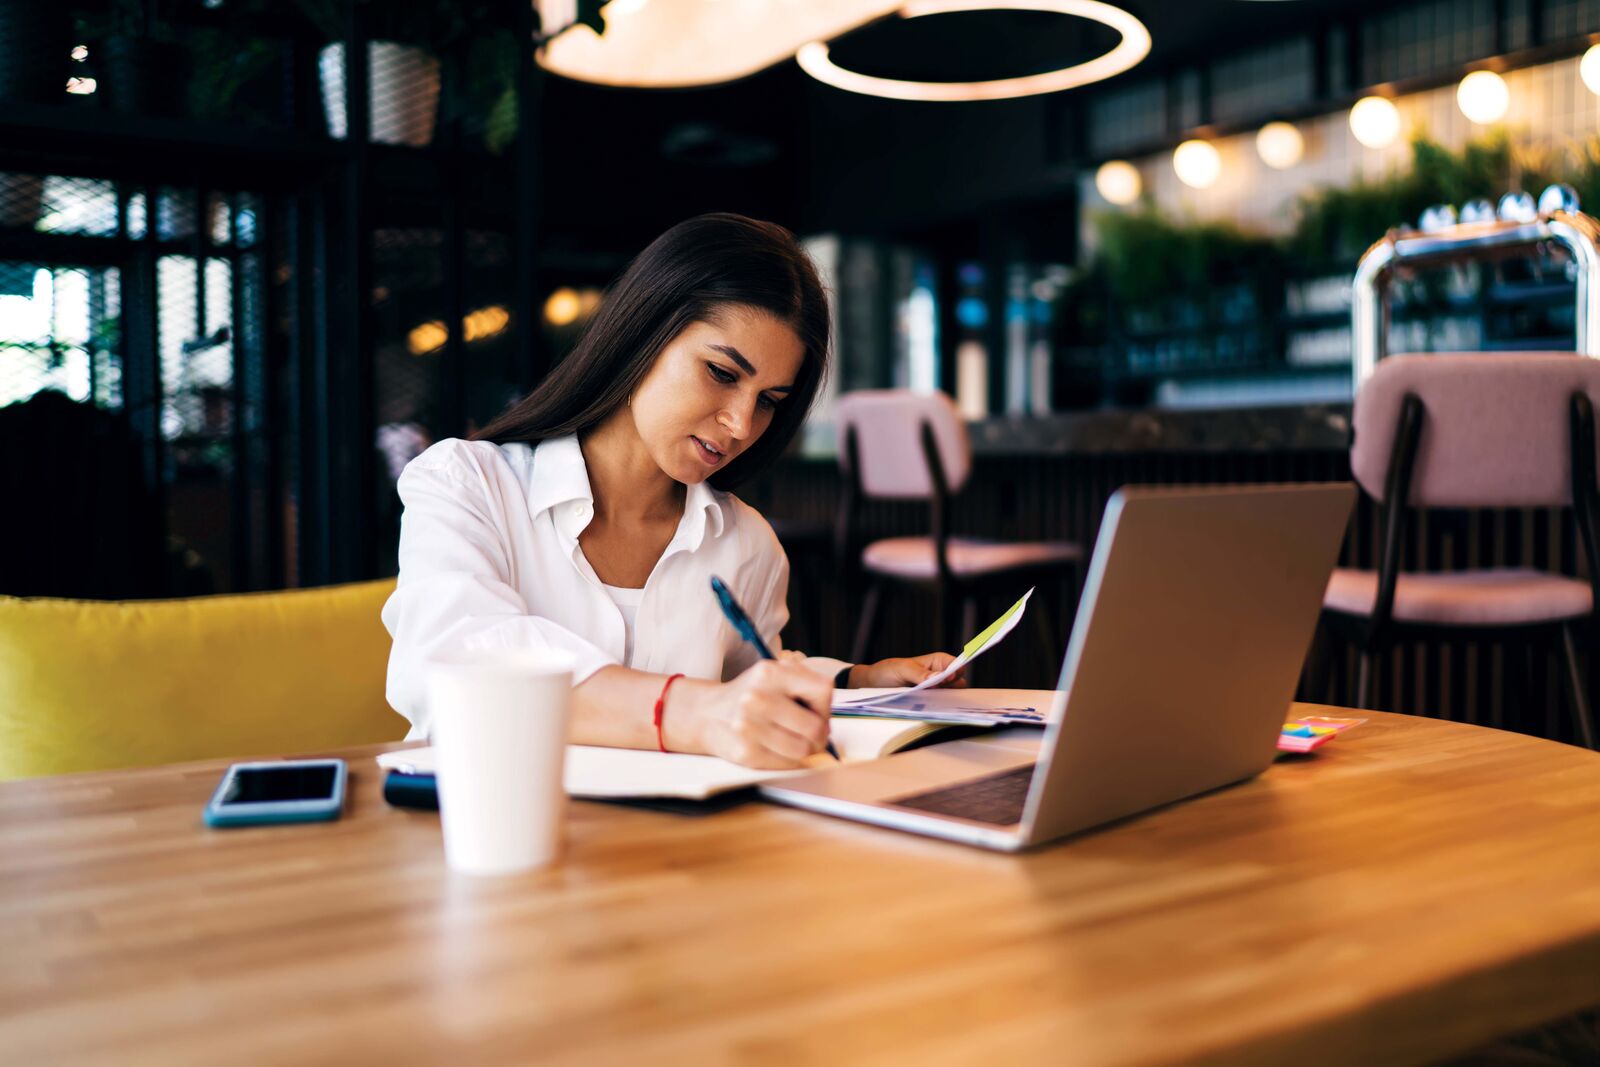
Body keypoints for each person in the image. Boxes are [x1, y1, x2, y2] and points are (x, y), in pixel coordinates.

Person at [383, 213, 963, 769]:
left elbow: (744, 678)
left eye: (768, 401)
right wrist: (692, 714)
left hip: (670, 851)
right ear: (643, 336)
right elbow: (457, 661)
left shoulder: (746, 544)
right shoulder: (468, 485)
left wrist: (855, 681)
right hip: (481, 840)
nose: (741, 424)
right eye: (722, 373)